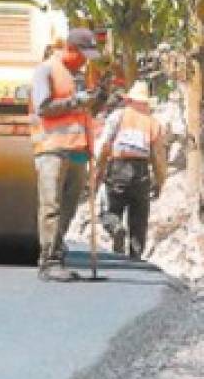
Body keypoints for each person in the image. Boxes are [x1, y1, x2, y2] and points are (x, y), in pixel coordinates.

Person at [30, 28, 100, 280]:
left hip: (78, 149)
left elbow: (85, 112)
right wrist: (75, 101)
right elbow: (43, 107)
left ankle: (58, 253)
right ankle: (48, 262)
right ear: (70, 49)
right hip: (52, 149)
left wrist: (97, 98)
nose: (86, 60)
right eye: (83, 54)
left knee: (69, 208)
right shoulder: (46, 71)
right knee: (52, 206)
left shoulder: (81, 75)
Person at [94, 81, 166, 260]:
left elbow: (104, 144)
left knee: (109, 210)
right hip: (141, 171)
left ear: (130, 100)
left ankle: (116, 227)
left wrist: (98, 169)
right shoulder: (153, 123)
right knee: (139, 217)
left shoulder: (118, 116)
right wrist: (159, 180)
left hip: (118, 167)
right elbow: (158, 157)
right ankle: (136, 255)